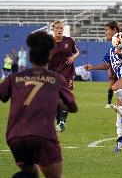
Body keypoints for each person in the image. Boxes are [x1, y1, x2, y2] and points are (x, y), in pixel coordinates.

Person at [0, 31, 78, 178]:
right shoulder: (56, 79)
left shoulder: (15, 78)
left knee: (30, 173)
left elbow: (2, 95)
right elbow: (73, 107)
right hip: (43, 135)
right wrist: (60, 103)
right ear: (50, 56)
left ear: (29, 57)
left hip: (15, 136)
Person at [84, 20, 122, 153]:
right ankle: (121, 138)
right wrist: (92, 67)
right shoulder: (110, 51)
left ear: (114, 30)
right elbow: (106, 65)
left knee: (115, 87)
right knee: (119, 111)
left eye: (106, 30)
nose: (105, 33)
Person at [48, 20, 80, 132]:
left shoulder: (69, 41)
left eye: (61, 28)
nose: (59, 30)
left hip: (67, 73)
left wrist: (73, 58)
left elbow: (77, 52)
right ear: (53, 29)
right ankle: (59, 121)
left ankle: (62, 122)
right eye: (57, 28)